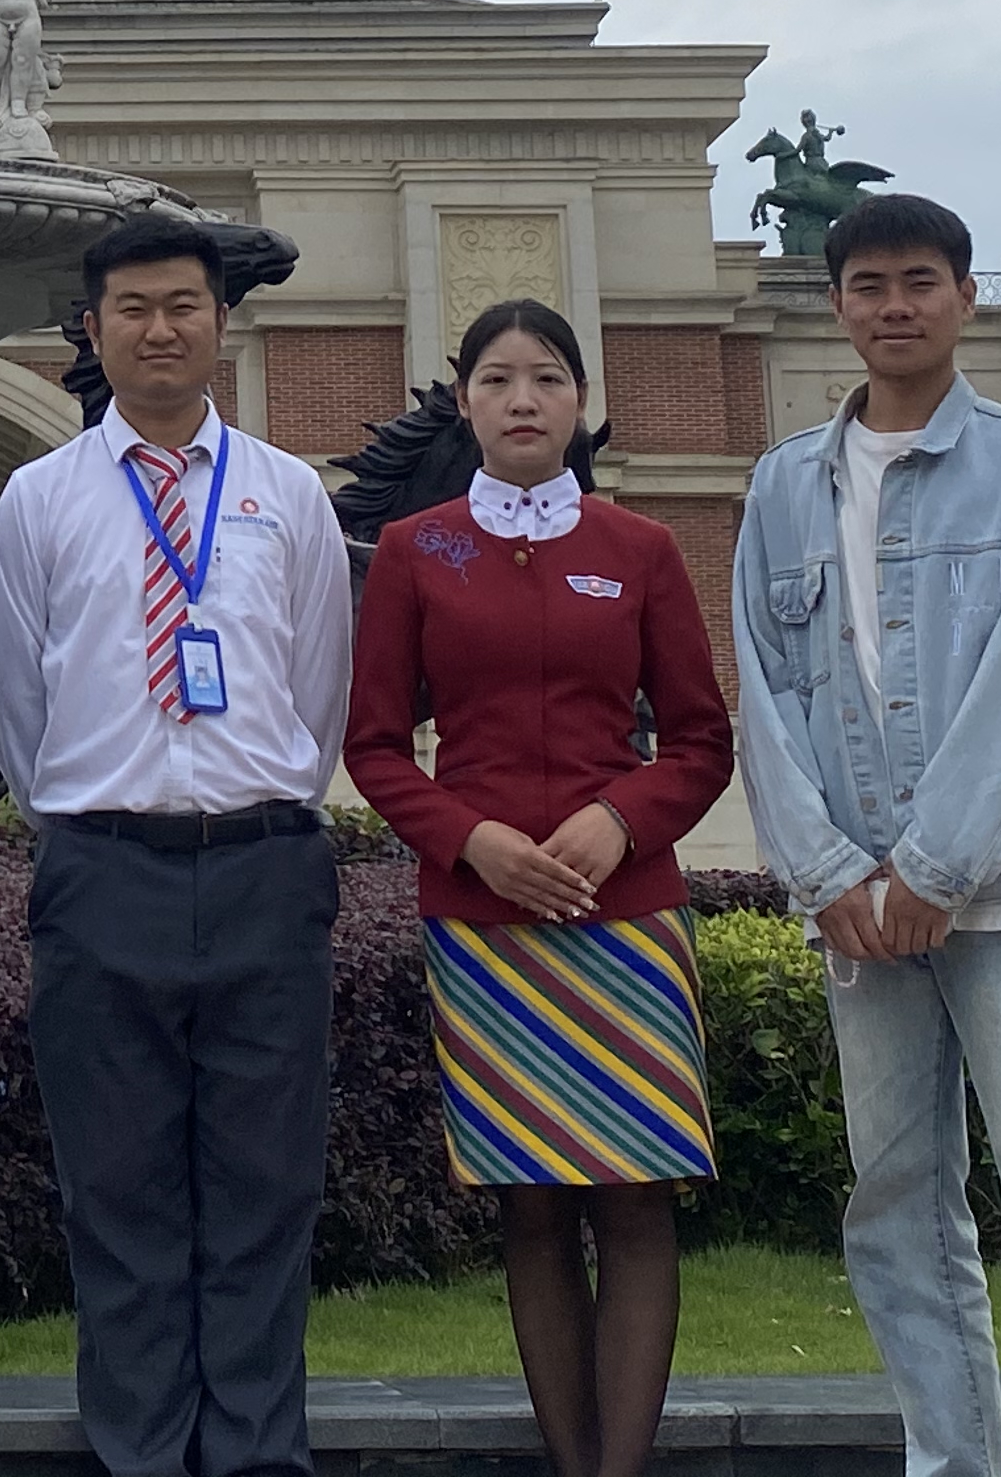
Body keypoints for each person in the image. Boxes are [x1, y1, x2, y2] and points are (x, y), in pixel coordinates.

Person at [732, 194, 1001, 1477]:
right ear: (836, 305)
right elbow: (765, 689)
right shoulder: (784, 485)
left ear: (965, 300)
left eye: (919, 282)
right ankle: (950, 1460)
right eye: (867, 285)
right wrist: (833, 872)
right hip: (860, 902)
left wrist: (938, 866)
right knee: (897, 1205)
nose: (892, 306)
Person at [0, 212, 355, 1477]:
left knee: (264, 1193)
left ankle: (254, 1457)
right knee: (119, 1195)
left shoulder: (285, 494)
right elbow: (18, 704)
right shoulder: (38, 499)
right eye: (131, 307)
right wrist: (94, 811)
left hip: (262, 868)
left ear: (220, 323)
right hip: (100, 871)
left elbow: (318, 688)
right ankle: (138, 1454)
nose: (159, 328)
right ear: (92, 329)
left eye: (183, 304)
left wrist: (257, 802)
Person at [343, 303, 733, 1477]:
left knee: (636, 1199)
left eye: (548, 379)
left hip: (627, 919)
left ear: (578, 402)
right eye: (500, 380)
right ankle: (572, 1462)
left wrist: (620, 822)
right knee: (530, 1204)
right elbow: (371, 748)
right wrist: (471, 843)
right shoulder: (419, 550)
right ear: (462, 401)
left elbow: (702, 743)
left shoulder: (641, 550)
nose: (523, 400)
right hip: (484, 923)